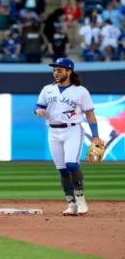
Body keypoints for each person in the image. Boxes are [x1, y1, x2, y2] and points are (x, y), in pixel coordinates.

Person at [34, 57, 102, 216]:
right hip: (53, 132)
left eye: (59, 70)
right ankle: (71, 204)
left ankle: (81, 201)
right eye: (54, 70)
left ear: (69, 71)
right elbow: (39, 105)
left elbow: (90, 114)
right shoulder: (47, 89)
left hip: (73, 131)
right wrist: (37, 110)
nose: (55, 73)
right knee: (63, 170)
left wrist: (95, 136)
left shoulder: (81, 91)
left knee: (71, 164)